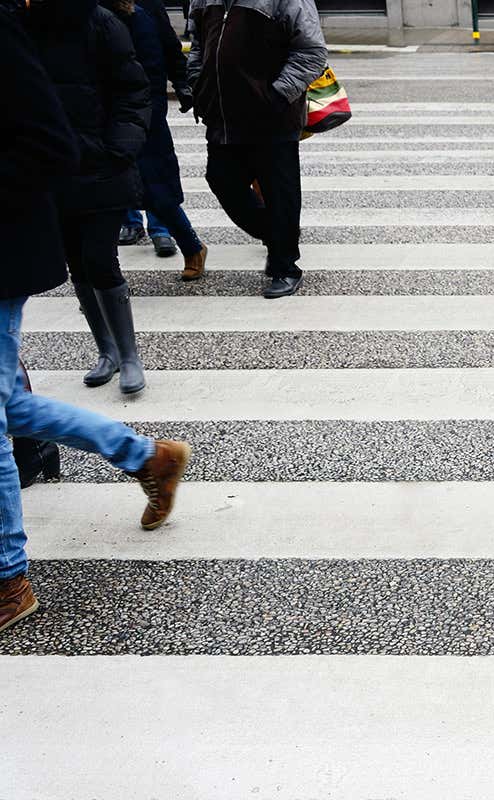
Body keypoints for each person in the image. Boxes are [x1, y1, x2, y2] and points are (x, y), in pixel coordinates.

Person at [0, 3, 191, 636]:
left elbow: (133, 87)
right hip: (55, 195)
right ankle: (145, 456)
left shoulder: (87, 21)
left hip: (52, 204)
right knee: (9, 407)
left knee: (100, 268)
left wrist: (118, 150)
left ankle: (8, 575)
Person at [24, 0, 152, 395]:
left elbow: (133, 90)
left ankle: (130, 356)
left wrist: (118, 147)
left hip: (101, 164)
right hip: (53, 168)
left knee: (99, 258)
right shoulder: (23, 23)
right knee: (77, 263)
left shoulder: (101, 22)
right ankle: (107, 351)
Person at [187, 0, 326, 299]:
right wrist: (196, 83)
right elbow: (197, 44)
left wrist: (275, 97)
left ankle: (285, 266)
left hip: (272, 118)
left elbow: (312, 52)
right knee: (222, 180)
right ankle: (278, 236)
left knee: (280, 192)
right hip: (222, 116)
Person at [107, 0, 208, 281]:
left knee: (155, 185)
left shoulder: (145, 8)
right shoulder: (84, 12)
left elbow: (168, 48)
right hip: (99, 110)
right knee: (103, 193)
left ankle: (187, 242)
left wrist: (182, 83)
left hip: (143, 109)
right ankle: (102, 280)